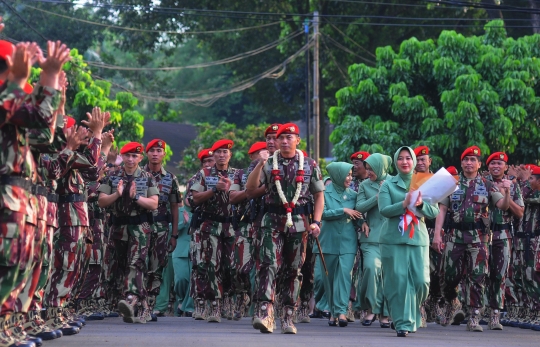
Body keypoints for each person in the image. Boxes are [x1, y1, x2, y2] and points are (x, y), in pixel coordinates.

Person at [246, 123, 324, 334]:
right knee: (268, 265)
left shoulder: (309, 164)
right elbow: (251, 189)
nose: (285, 141)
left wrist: (316, 222)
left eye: (290, 137)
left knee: (293, 270)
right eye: (281, 138)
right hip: (271, 221)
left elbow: (318, 195)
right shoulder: (269, 163)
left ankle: (288, 315)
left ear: (298, 140)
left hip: (299, 223)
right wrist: (259, 165)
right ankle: (265, 313)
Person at [432, 146, 510, 332]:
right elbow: (442, 210)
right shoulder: (452, 183)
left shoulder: (488, 185)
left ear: (479, 164)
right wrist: (437, 234)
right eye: (466, 159)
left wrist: (506, 192)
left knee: (478, 277)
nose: (469, 163)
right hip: (454, 237)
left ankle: (474, 316)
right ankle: (453, 301)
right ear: (461, 163)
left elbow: (503, 206)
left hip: (479, 239)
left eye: (473, 160)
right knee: (449, 276)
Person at [378, 146, 440, 337]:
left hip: (417, 238)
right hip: (392, 239)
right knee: (398, 282)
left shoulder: (424, 182)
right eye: (401, 158)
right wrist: (404, 204)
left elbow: (434, 211)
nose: (405, 162)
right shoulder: (388, 184)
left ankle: (412, 314)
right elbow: (384, 210)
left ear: (414, 161)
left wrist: (420, 204)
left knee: (421, 282)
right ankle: (402, 322)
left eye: (408, 158)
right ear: (396, 162)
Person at [98, 142, 159, 324]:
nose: (131, 159)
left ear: (140, 158)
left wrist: (136, 197)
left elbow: (154, 204)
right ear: (122, 157)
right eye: (127, 155)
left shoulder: (148, 177)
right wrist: (117, 194)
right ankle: (144, 307)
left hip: (140, 228)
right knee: (119, 266)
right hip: (117, 228)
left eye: (135, 156)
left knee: (136, 263)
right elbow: (102, 201)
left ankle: (132, 299)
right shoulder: (112, 176)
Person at [190, 139, 238, 322]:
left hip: (231, 227)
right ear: (213, 154)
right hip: (210, 226)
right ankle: (214, 304)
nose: (221, 155)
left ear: (230, 155)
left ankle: (228, 299)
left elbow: (245, 195)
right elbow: (194, 199)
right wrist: (214, 190)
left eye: (225, 152)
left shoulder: (237, 174)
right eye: (218, 152)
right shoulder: (205, 173)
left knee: (232, 267)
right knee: (211, 266)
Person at [317, 162, 362, 327]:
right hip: (327, 241)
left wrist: (362, 222)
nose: (349, 178)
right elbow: (322, 214)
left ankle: (341, 312)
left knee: (344, 276)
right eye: (346, 175)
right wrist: (342, 210)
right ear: (337, 175)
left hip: (348, 241)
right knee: (328, 279)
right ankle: (332, 312)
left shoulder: (354, 195)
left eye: (351, 174)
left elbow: (358, 214)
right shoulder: (323, 193)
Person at [229, 141, 268, 321]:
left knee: (264, 268)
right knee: (239, 267)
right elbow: (232, 197)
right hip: (245, 225)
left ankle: (261, 306)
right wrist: (252, 191)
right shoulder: (241, 174)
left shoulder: (274, 172)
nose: (263, 155)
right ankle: (243, 295)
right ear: (251, 156)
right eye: (259, 153)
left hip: (265, 225)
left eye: (266, 152)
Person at [143, 139, 181, 321]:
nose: (155, 154)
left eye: (159, 150)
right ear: (146, 153)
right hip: (141, 227)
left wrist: (174, 235)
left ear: (164, 154)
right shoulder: (139, 175)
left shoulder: (171, 179)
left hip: (162, 229)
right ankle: (137, 302)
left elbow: (175, 207)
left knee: (157, 268)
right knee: (139, 265)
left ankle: (150, 305)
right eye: (152, 150)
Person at [485, 152, 524, 330]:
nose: (496, 166)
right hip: (482, 235)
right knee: (480, 274)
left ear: (506, 167)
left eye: (500, 163)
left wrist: (505, 194)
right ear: (487, 167)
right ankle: (479, 311)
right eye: (492, 163)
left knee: (499, 275)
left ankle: (495, 314)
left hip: (503, 235)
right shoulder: (482, 183)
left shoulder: (513, 187)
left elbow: (520, 213)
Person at [355, 153, 392, 328]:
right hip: (371, 237)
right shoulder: (364, 185)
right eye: (367, 168)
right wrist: (378, 196)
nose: (368, 172)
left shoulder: (394, 181)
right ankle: (371, 309)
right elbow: (359, 207)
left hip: (391, 236)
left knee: (387, 275)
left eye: (371, 169)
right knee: (370, 269)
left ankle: (385, 314)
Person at [185, 148, 215, 320]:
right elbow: (189, 200)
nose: (209, 164)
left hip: (220, 227)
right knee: (200, 265)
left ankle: (216, 304)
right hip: (201, 226)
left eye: (211, 161)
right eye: (206, 162)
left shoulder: (225, 176)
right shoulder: (197, 179)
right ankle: (200, 303)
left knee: (218, 267)